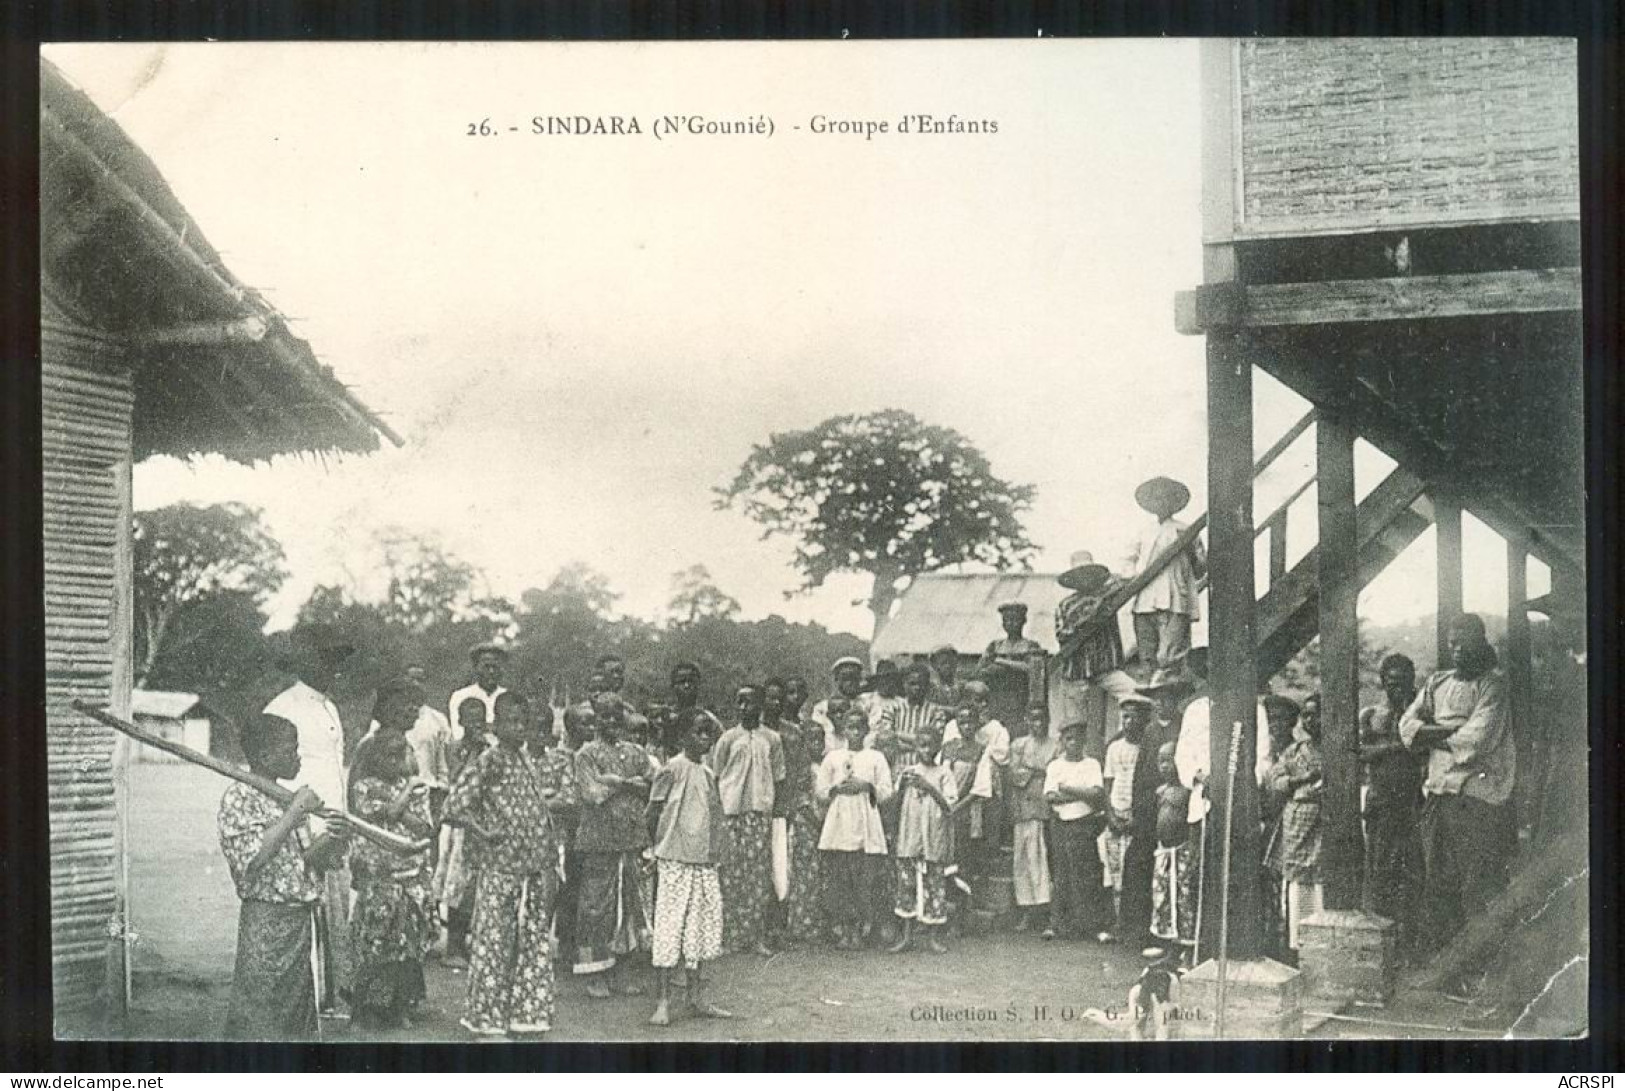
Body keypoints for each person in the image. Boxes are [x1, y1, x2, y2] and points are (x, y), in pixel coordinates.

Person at [1399, 613, 1516, 1001]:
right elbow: (1406, 728)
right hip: (1439, 797)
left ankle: (1484, 976)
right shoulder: (1438, 682)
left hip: (1477, 799)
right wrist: (1443, 732)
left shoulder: (1493, 686)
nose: (1458, 649)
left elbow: (1477, 740)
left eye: (1465, 642)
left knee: (1477, 888)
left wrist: (1429, 735)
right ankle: (1450, 974)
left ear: (1481, 642)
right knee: (1439, 885)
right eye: (1452, 643)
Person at [218, 714, 352, 1040]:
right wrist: (294, 813)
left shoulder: (287, 798)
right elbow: (252, 859)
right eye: (291, 750)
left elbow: (303, 861)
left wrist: (335, 837)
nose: (298, 757)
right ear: (265, 757)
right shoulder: (240, 798)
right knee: (261, 1009)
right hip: (265, 921)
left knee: (295, 1010)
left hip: (297, 921)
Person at [444, 691, 560, 1037]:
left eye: (524, 721)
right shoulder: (490, 760)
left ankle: (524, 1013)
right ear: (496, 724)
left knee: (529, 941)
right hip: (500, 870)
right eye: (512, 721)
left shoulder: (525, 759)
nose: (520, 727)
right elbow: (453, 807)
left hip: (531, 871)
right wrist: (484, 832)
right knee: (494, 943)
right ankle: (487, 1018)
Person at [262, 625, 356, 1016]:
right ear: (304, 662)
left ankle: (335, 997)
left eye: (337, 661)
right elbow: (273, 772)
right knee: (306, 912)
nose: (332, 669)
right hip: (303, 824)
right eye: (324, 660)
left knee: (336, 912)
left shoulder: (329, 707)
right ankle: (307, 1001)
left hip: (335, 820)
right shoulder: (282, 707)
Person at [647, 710, 736, 1026]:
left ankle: (696, 997)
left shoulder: (709, 774)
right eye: (698, 732)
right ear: (683, 735)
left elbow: (714, 815)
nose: (705, 739)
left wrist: (715, 852)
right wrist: (655, 850)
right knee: (670, 929)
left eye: (708, 734)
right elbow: (654, 811)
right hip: (674, 859)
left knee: (699, 930)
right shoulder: (672, 769)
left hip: (702, 862)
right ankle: (662, 1002)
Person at [347, 731, 436, 1029]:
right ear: (375, 758)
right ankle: (361, 1010)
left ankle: (398, 1008)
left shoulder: (410, 788)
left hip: (409, 879)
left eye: (402, 756)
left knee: (406, 949)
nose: (397, 763)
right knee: (374, 947)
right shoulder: (364, 787)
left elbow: (423, 827)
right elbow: (390, 813)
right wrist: (406, 796)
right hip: (380, 880)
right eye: (390, 756)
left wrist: (403, 803)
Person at [573, 692, 655, 997]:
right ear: (595, 719)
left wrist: (614, 781)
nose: (611, 722)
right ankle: (596, 974)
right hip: (599, 843)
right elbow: (592, 794)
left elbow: (654, 784)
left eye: (615, 715)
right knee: (597, 907)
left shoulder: (635, 752)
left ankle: (624, 971)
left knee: (631, 906)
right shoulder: (585, 754)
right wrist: (628, 784)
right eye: (604, 716)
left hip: (631, 841)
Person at [708, 683, 785, 956]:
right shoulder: (727, 739)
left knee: (757, 875)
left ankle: (755, 936)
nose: (744, 708)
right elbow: (716, 777)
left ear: (761, 705)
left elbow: (779, 777)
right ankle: (730, 935)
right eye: (740, 702)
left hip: (759, 813)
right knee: (729, 874)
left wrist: (775, 813)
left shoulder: (772, 739)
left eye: (750, 702)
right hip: (731, 813)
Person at [1358, 654, 1424, 960]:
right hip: (1382, 804)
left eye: (1404, 682)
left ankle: (1412, 943)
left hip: (1413, 803)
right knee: (1381, 871)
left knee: (1415, 873)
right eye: (1392, 682)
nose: (1398, 688)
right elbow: (1360, 752)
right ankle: (1385, 945)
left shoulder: (1421, 712)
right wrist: (1396, 746)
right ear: (1383, 682)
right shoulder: (1371, 715)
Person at [816, 703, 894, 949]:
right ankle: (845, 929)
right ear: (844, 730)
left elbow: (886, 791)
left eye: (859, 728)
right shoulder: (833, 757)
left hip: (864, 821)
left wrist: (866, 786)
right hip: (840, 823)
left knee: (863, 879)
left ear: (866, 730)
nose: (854, 732)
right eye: (850, 727)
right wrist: (837, 788)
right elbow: (820, 791)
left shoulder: (875, 757)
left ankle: (862, 928)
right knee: (842, 878)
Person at [1120, 671, 1184, 945]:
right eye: (1157, 699)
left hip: (1171, 804)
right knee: (1138, 864)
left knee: (1168, 866)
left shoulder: (1182, 727)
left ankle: (1167, 931)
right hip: (1148, 806)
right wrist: (1137, 806)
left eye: (1166, 698)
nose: (1161, 703)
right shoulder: (1149, 730)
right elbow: (1140, 771)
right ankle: (1135, 929)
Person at [1053, 551, 1141, 742]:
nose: (1085, 579)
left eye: (1088, 573)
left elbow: (1127, 581)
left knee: (1136, 695)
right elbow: (1062, 634)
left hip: (1105, 668)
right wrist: (1089, 615)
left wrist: (1103, 597)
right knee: (1074, 724)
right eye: (1080, 575)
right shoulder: (1065, 605)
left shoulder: (1109, 596)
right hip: (1076, 672)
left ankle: (1121, 737)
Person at [889, 717, 958, 953]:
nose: (925, 750)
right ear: (915, 747)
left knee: (934, 885)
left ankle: (932, 937)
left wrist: (929, 787)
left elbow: (950, 806)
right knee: (906, 885)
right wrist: (902, 787)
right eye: (921, 745)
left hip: (933, 835)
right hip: (910, 835)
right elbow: (895, 805)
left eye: (930, 745)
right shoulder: (908, 772)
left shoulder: (944, 773)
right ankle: (906, 936)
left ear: (938, 747)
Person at [1264, 693, 1325, 958]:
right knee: (1298, 887)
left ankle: (1320, 944)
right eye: (1307, 715)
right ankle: (1296, 947)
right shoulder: (1296, 751)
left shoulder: (1336, 749)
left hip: (1324, 821)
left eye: (1316, 714)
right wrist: (1299, 780)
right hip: (1298, 822)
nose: (1311, 720)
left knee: (1321, 883)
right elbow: (1274, 779)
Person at [1126, 476, 1206, 674]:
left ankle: (1170, 695)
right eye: (1157, 499)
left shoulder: (1186, 530)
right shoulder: (1143, 532)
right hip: (1145, 599)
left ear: (1173, 503)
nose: (1162, 503)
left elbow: (1201, 565)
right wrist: (1133, 576)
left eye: (1166, 499)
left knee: (1171, 655)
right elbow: (1127, 559)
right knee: (1147, 653)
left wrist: (1189, 552)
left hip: (1175, 597)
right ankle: (1150, 694)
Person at [767, 677, 823, 946]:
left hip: (787, 807)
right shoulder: (759, 732)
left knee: (786, 866)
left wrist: (795, 805)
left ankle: (786, 924)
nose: (784, 701)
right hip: (761, 805)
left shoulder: (796, 733)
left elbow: (802, 772)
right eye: (776, 697)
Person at [436, 696, 491, 967]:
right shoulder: (455, 748)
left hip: (484, 822)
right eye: (470, 719)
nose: (476, 723)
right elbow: (457, 778)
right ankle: (454, 946)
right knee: (459, 885)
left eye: (480, 718)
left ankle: (474, 943)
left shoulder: (490, 748)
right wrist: (473, 752)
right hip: (461, 824)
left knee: (479, 885)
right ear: (460, 721)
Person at [1044, 720, 1109, 942]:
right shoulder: (1055, 766)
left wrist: (1068, 789)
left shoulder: (1091, 765)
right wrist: (1081, 794)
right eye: (1069, 739)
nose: (1073, 743)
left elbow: (1097, 794)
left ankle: (1090, 925)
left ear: (1084, 741)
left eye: (1078, 739)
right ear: (1062, 741)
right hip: (1061, 824)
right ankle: (1059, 924)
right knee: (1061, 874)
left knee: (1087, 874)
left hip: (1084, 823)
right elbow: (1051, 797)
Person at [1098, 696, 1151, 943]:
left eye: (1133, 716)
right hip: (1117, 814)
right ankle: (1119, 923)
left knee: (1137, 873)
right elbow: (1108, 783)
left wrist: (1138, 817)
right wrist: (1110, 814)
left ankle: (1138, 926)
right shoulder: (1114, 748)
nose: (1129, 722)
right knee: (1115, 871)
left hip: (1138, 817)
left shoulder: (1147, 747)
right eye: (1125, 717)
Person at [1008, 702, 1058, 934]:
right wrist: (1038, 771)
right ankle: (1027, 911)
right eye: (1033, 719)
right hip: (1022, 809)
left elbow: (1054, 773)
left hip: (1044, 809)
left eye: (1041, 719)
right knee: (1023, 861)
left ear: (1047, 721)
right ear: (1027, 720)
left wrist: (1034, 771)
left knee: (1042, 861)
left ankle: (1046, 912)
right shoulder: (1019, 744)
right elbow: (1014, 775)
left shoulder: (1055, 746)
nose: (1037, 724)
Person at [1150, 742, 1197, 961]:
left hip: (1182, 851)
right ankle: (1170, 944)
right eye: (1161, 761)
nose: (1164, 766)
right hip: (1165, 852)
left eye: (1169, 761)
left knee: (1183, 899)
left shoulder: (1188, 792)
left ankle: (1186, 948)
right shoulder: (1162, 791)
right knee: (1164, 898)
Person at [978, 602, 1047, 731]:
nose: (1011, 623)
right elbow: (982, 669)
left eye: (1015, 619)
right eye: (1007, 620)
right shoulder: (995, 645)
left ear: (1023, 621)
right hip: (998, 698)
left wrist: (1001, 662)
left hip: (1021, 697)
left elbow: (1032, 669)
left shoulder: (1030, 645)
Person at [448, 643, 510, 742]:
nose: (491, 671)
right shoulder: (460, 696)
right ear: (475, 668)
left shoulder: (508, 697)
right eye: (486, 667)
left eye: (495, 667)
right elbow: (458, 733)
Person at [810, 656, 868, 754]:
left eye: (854, 678)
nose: (850, 683)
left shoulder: (867, 705)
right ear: (837, 680)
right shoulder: (822, 708)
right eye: (845, 679)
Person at [928, 645, 971, 710]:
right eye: (943, 663)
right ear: (935, 666)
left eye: (951, 662)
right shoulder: (930, 688)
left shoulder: (963, 687)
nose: (948, 666)